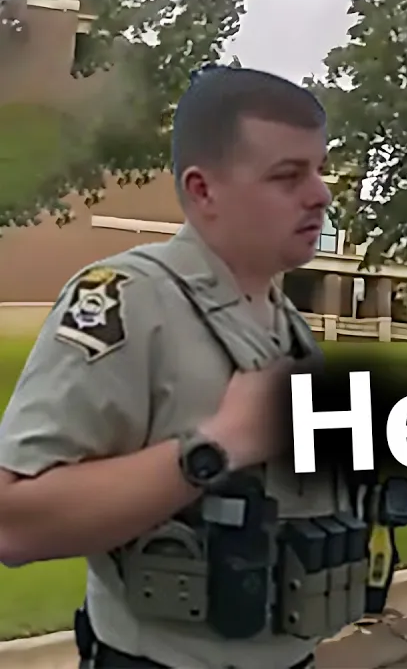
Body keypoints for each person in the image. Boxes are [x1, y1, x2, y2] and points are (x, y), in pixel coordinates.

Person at [0, 66, 369, 668]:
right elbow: (12, 523)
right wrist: (218, 445)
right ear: (203, 190)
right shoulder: (126, 301)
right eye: (288, 175)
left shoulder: (292, 328)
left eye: (319, 170)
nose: (321, 194)